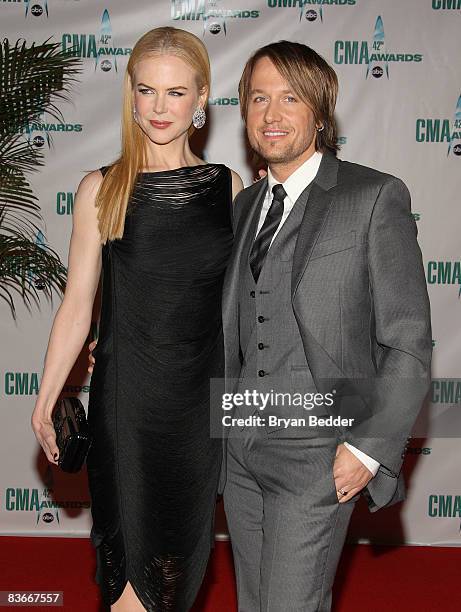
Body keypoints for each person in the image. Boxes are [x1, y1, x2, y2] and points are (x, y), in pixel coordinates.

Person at [31, 26, 243, 612]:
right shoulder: (102, 189)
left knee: (179, 580)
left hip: (200, 411)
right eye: (147, 90)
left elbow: (239, 308)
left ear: (202, 98)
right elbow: (77, 305)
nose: (159, 107)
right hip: (128, 407)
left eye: (176, 93)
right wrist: (46, 397)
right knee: (132, 585)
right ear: (129, 92)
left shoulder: (229, 187)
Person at [220, 42, 432, 611]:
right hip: (240, 449)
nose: (271, 114)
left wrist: (367, 449)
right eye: (258, 98)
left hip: (319, 451)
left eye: (289, 98)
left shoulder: (372, 196)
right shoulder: (242, 209)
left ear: (320, 110)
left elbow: (407, 338)